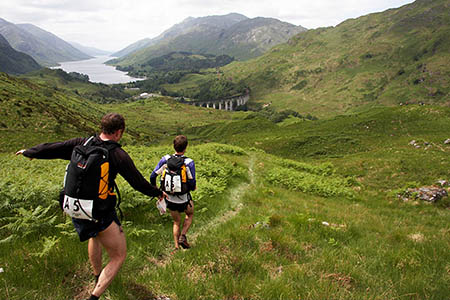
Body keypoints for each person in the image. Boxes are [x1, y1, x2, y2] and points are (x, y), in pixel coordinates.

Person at [16, 113, 167, 300]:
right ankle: (94, 297)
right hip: (99, 211)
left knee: (93, 236)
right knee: (119, 255)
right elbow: (138, 183)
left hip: (75, 207)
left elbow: (54, 148)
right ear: (119, 132)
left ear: (102, 128)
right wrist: (158, 193)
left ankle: (97, 277)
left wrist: (30, 152)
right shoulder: (117, 154)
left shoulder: (82, 143)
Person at [150, 135, 196, 250]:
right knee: (189, 214)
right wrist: (192, 188)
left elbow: (152, 176)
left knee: (176, 221)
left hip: (169, 198)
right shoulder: (189, 162)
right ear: (185, 147)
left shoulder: (165, 159)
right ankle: (183, 235)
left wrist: (158, 191)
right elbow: (192, 182)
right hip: (184, 198)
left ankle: (176, 248)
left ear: (173, 146)